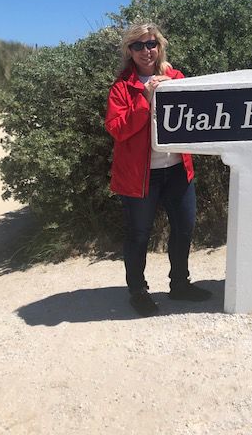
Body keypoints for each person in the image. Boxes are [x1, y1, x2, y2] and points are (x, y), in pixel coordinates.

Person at [105, 21, 211, 317]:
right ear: (129, 51)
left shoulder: (176, 77)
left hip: (177, 168)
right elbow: (117, 129)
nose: (146, 50)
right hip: (141, 175)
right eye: (138, 45)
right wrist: (145, 100)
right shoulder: (122, 87)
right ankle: (138, 291)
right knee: (139, 234)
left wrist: (173, 89)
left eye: (151, 44)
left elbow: (197, 113)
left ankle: (179, 284)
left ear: (160, 46)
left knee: (184, 228)